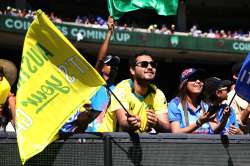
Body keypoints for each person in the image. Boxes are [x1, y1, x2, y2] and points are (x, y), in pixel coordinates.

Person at [60, 16, 120, 133]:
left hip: (108, 139)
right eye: (110, 64)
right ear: (102, 68)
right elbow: (101, 59)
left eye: (116, 65)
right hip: (87, 136)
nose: (114, 67)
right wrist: (109, 32)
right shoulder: (95, 83)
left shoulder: (118, 90)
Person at [98, 52, 170, 133]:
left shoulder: (158, 93)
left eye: (153, 64)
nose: (150, 67)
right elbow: (123, 123)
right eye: (144, 64)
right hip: (109, 141)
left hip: (137, 142)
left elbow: (167, 127)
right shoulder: (121, 89)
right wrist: (131, 124)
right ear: (132, 70)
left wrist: (157, 123)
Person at [168, 68, 213, 134]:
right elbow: (176, 132)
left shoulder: (206, 105)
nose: (198, 81)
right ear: (184, 83)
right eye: (193, 78)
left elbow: (214, 130)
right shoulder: (175, 104)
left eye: (201, 79)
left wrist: (224, 119)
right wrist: (199, 122)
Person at [227, 62, 250, 133]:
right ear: (235, 76)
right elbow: (235, 126)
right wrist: (248, 109)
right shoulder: (231, 96)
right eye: (246, 73)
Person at [0, 59, 17, 132]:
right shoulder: (4, 84)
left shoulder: (4, 84)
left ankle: (15, 125)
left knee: (12, 99)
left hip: (4, 112)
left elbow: (10, 96)